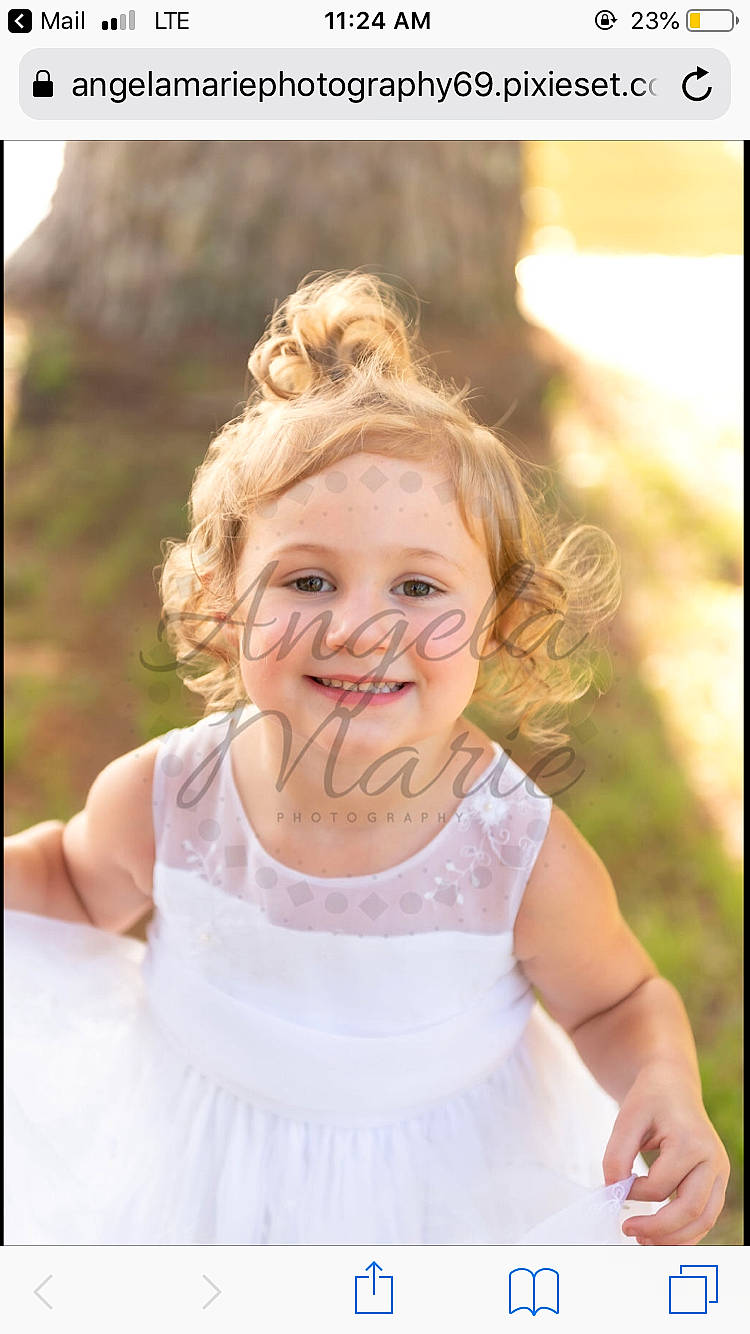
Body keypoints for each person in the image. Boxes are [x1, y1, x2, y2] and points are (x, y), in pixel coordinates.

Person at [4, 272, 728, 1245]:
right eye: (307, 578)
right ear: (225, 603)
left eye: (419, 586)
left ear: (497, 622)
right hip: (195, 1163)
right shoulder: (169, 794)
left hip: (442, 1190)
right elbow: (66, 876)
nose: (357, 628)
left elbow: (619, 999)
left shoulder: (515, 854)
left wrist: (666, 1085)